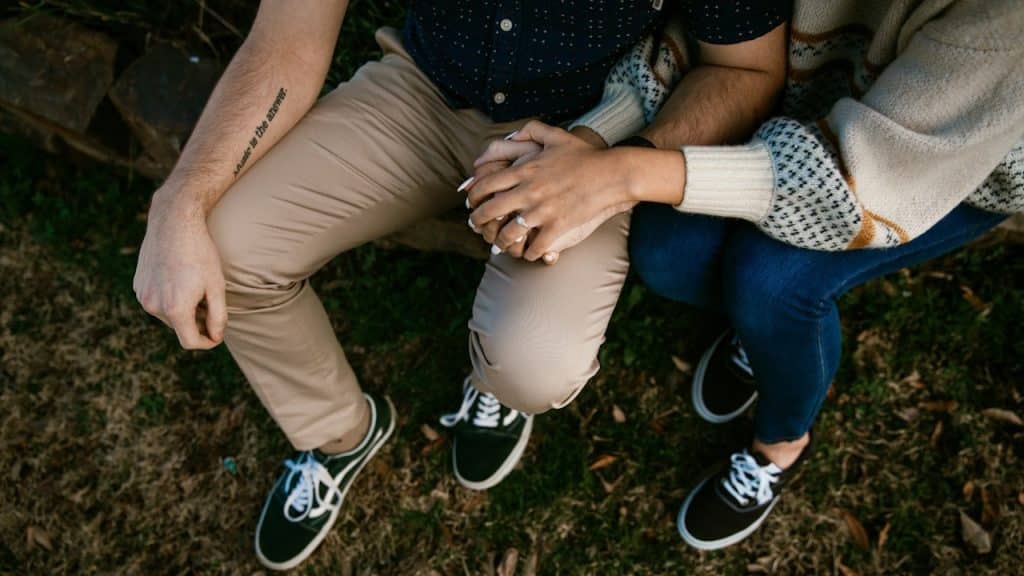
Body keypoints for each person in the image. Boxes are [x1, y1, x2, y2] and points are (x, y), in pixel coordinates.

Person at [132, 0, 791, 569]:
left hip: (590, 132)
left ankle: (494, 383)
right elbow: (285, 41)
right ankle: (339, 433)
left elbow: (747, 68)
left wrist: (617, 171)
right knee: (225, 250)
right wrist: (181, 200)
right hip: (421, 93)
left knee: (532, 363)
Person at [470, 0, 1023, 552]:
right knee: (666, 250)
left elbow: (864, 182)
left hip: (940, 161)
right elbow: (715, 30)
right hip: (809, 95)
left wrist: (618, 173)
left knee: (773, 283)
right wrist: (596, 141)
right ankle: (759, 335)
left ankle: (781, 441)